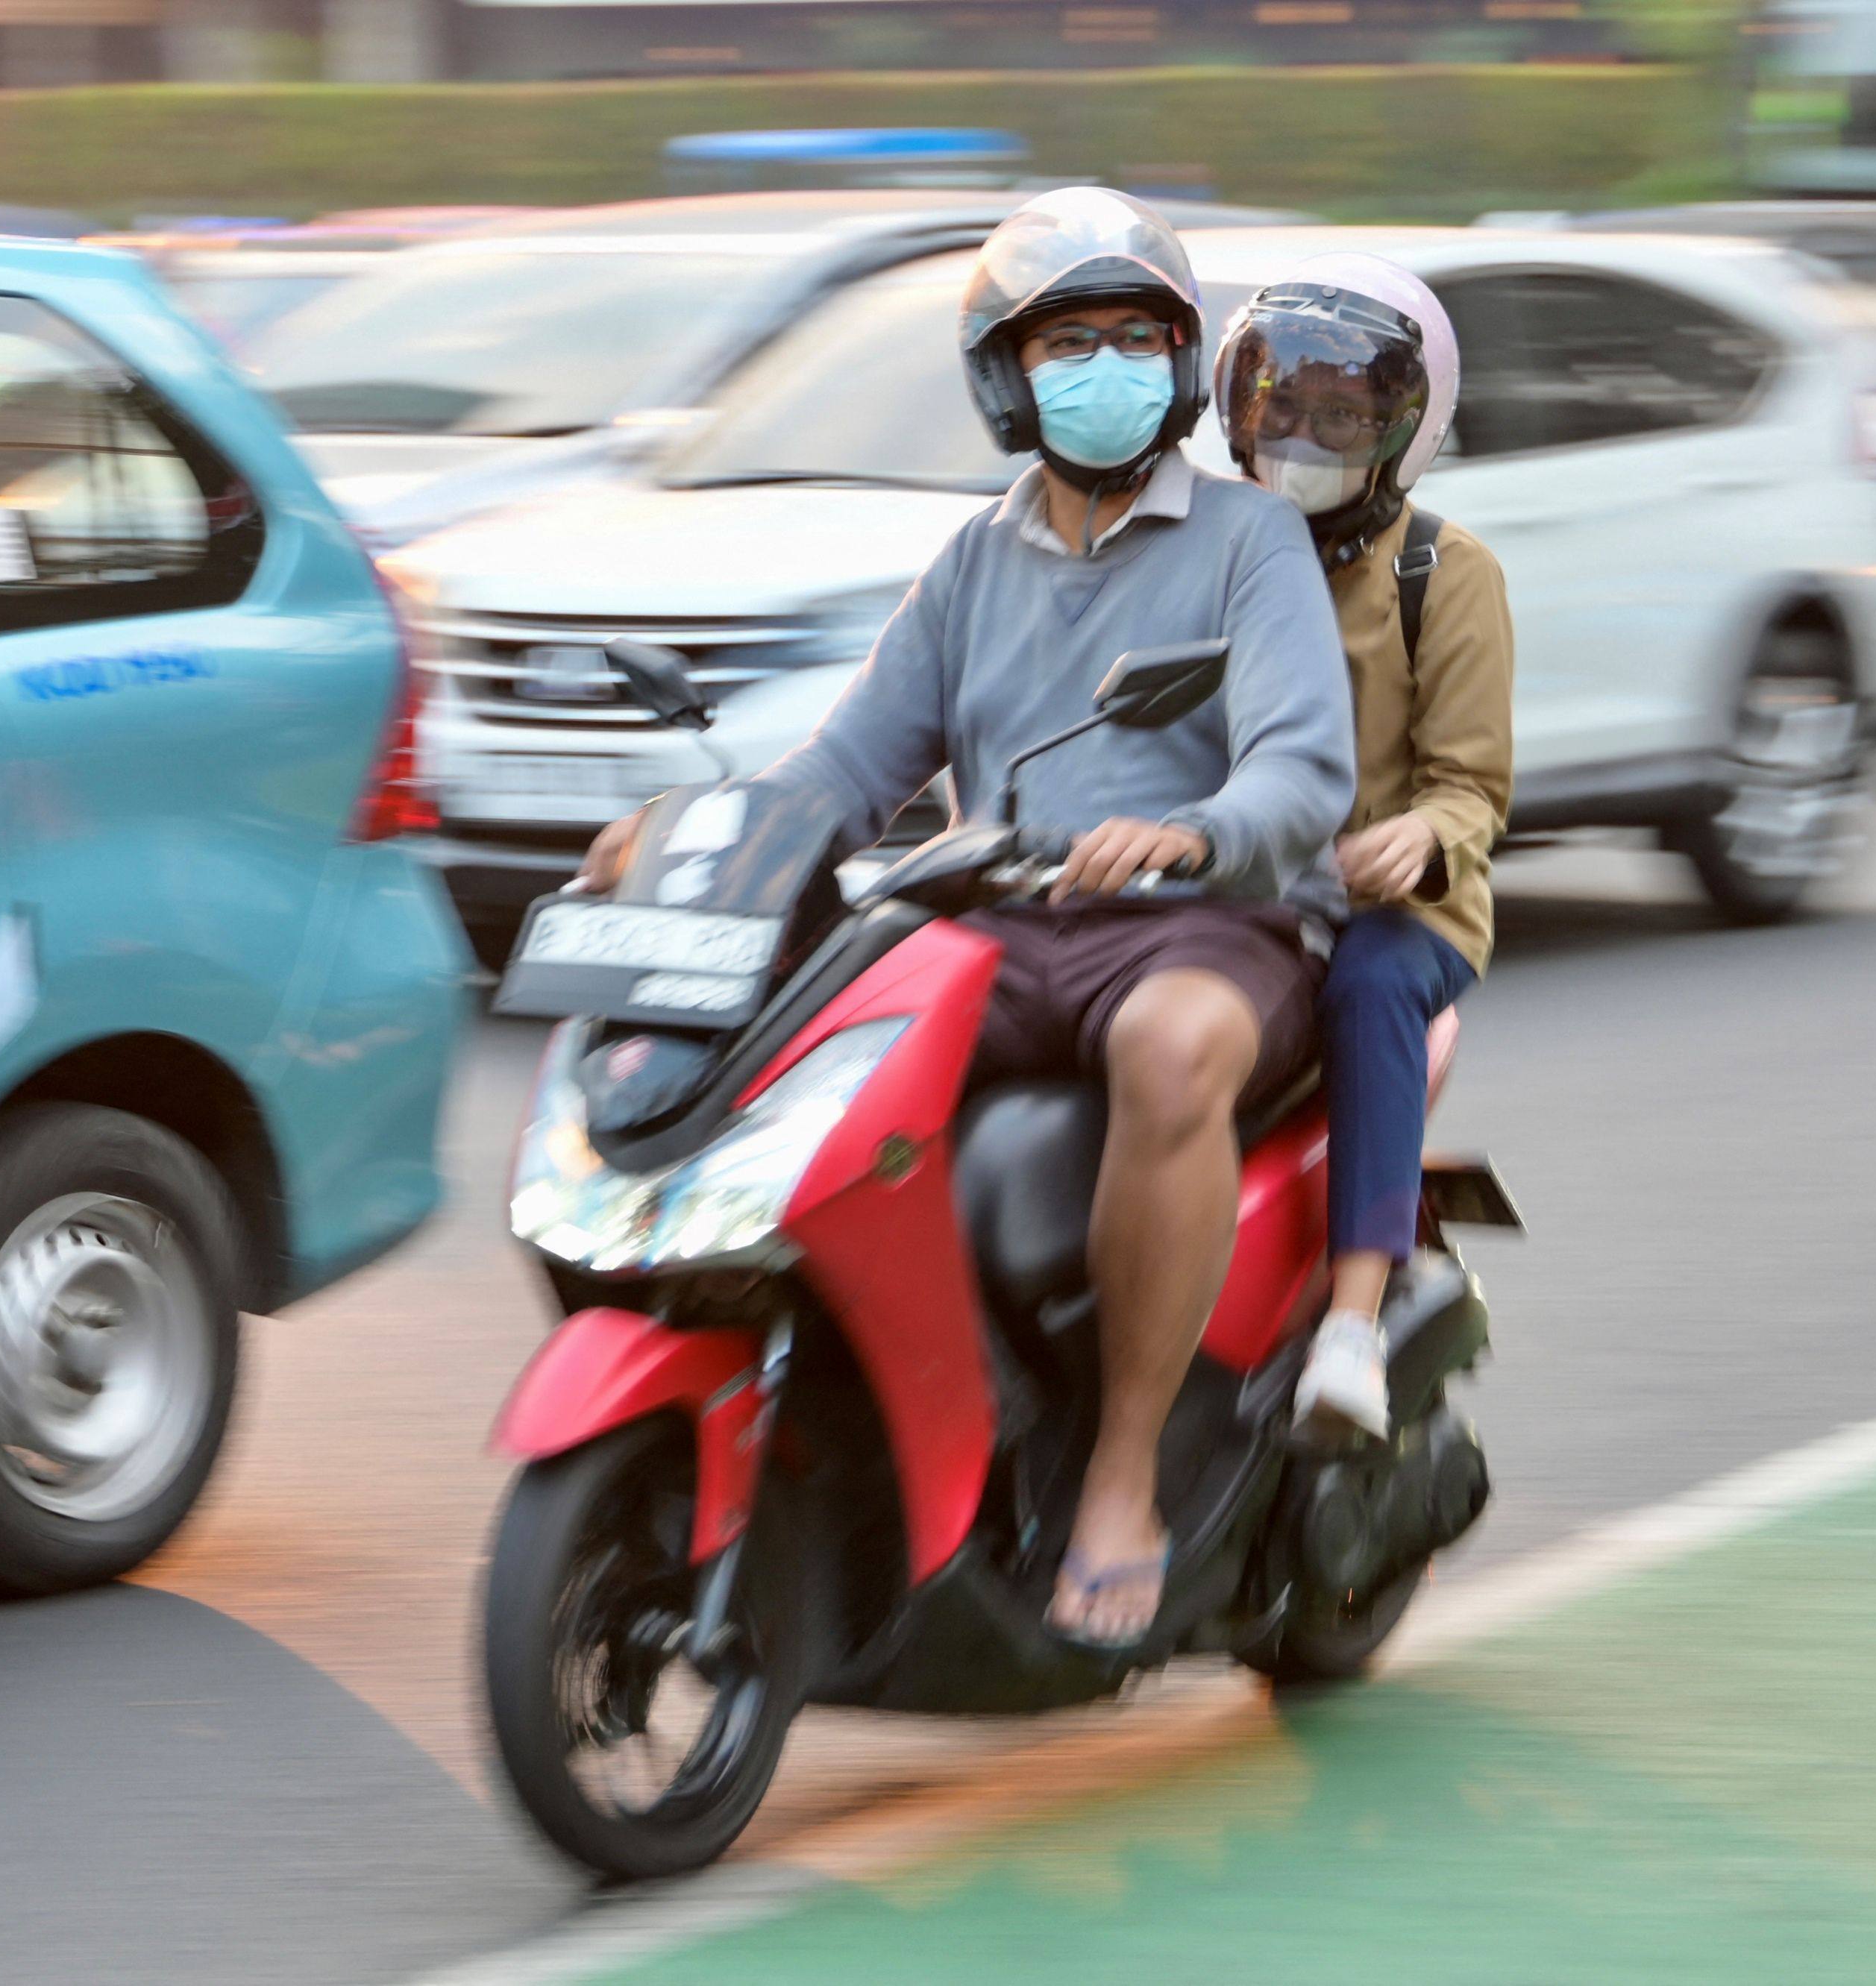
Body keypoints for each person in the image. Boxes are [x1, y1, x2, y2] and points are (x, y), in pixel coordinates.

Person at [580, 189, 1355, 1647]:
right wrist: (694, 833)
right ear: (1007, 373)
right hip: (1000, 921)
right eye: (1070, 340)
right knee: (813, 1061)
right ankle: (908, 1402)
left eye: (1137, 338)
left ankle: (1120, 1470)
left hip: (1209, 922)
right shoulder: (967, 565)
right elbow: (847, 766)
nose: (1107, 367)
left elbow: (1304, 769)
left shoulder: (1250, 543)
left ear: (1181, 366)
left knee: (1170, 1048)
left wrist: (1187, 831)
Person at [1214, 258, 1513, 1443]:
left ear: (1403, 426)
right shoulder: (1207, 551)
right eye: (1282, 407)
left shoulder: (1446, 574)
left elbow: (1474, 785)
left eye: (1340, 415)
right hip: (1233, 880)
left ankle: (1349, 1323)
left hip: (1399, 910)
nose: (1303, 436)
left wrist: (1416, 839)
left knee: (1374, 979)